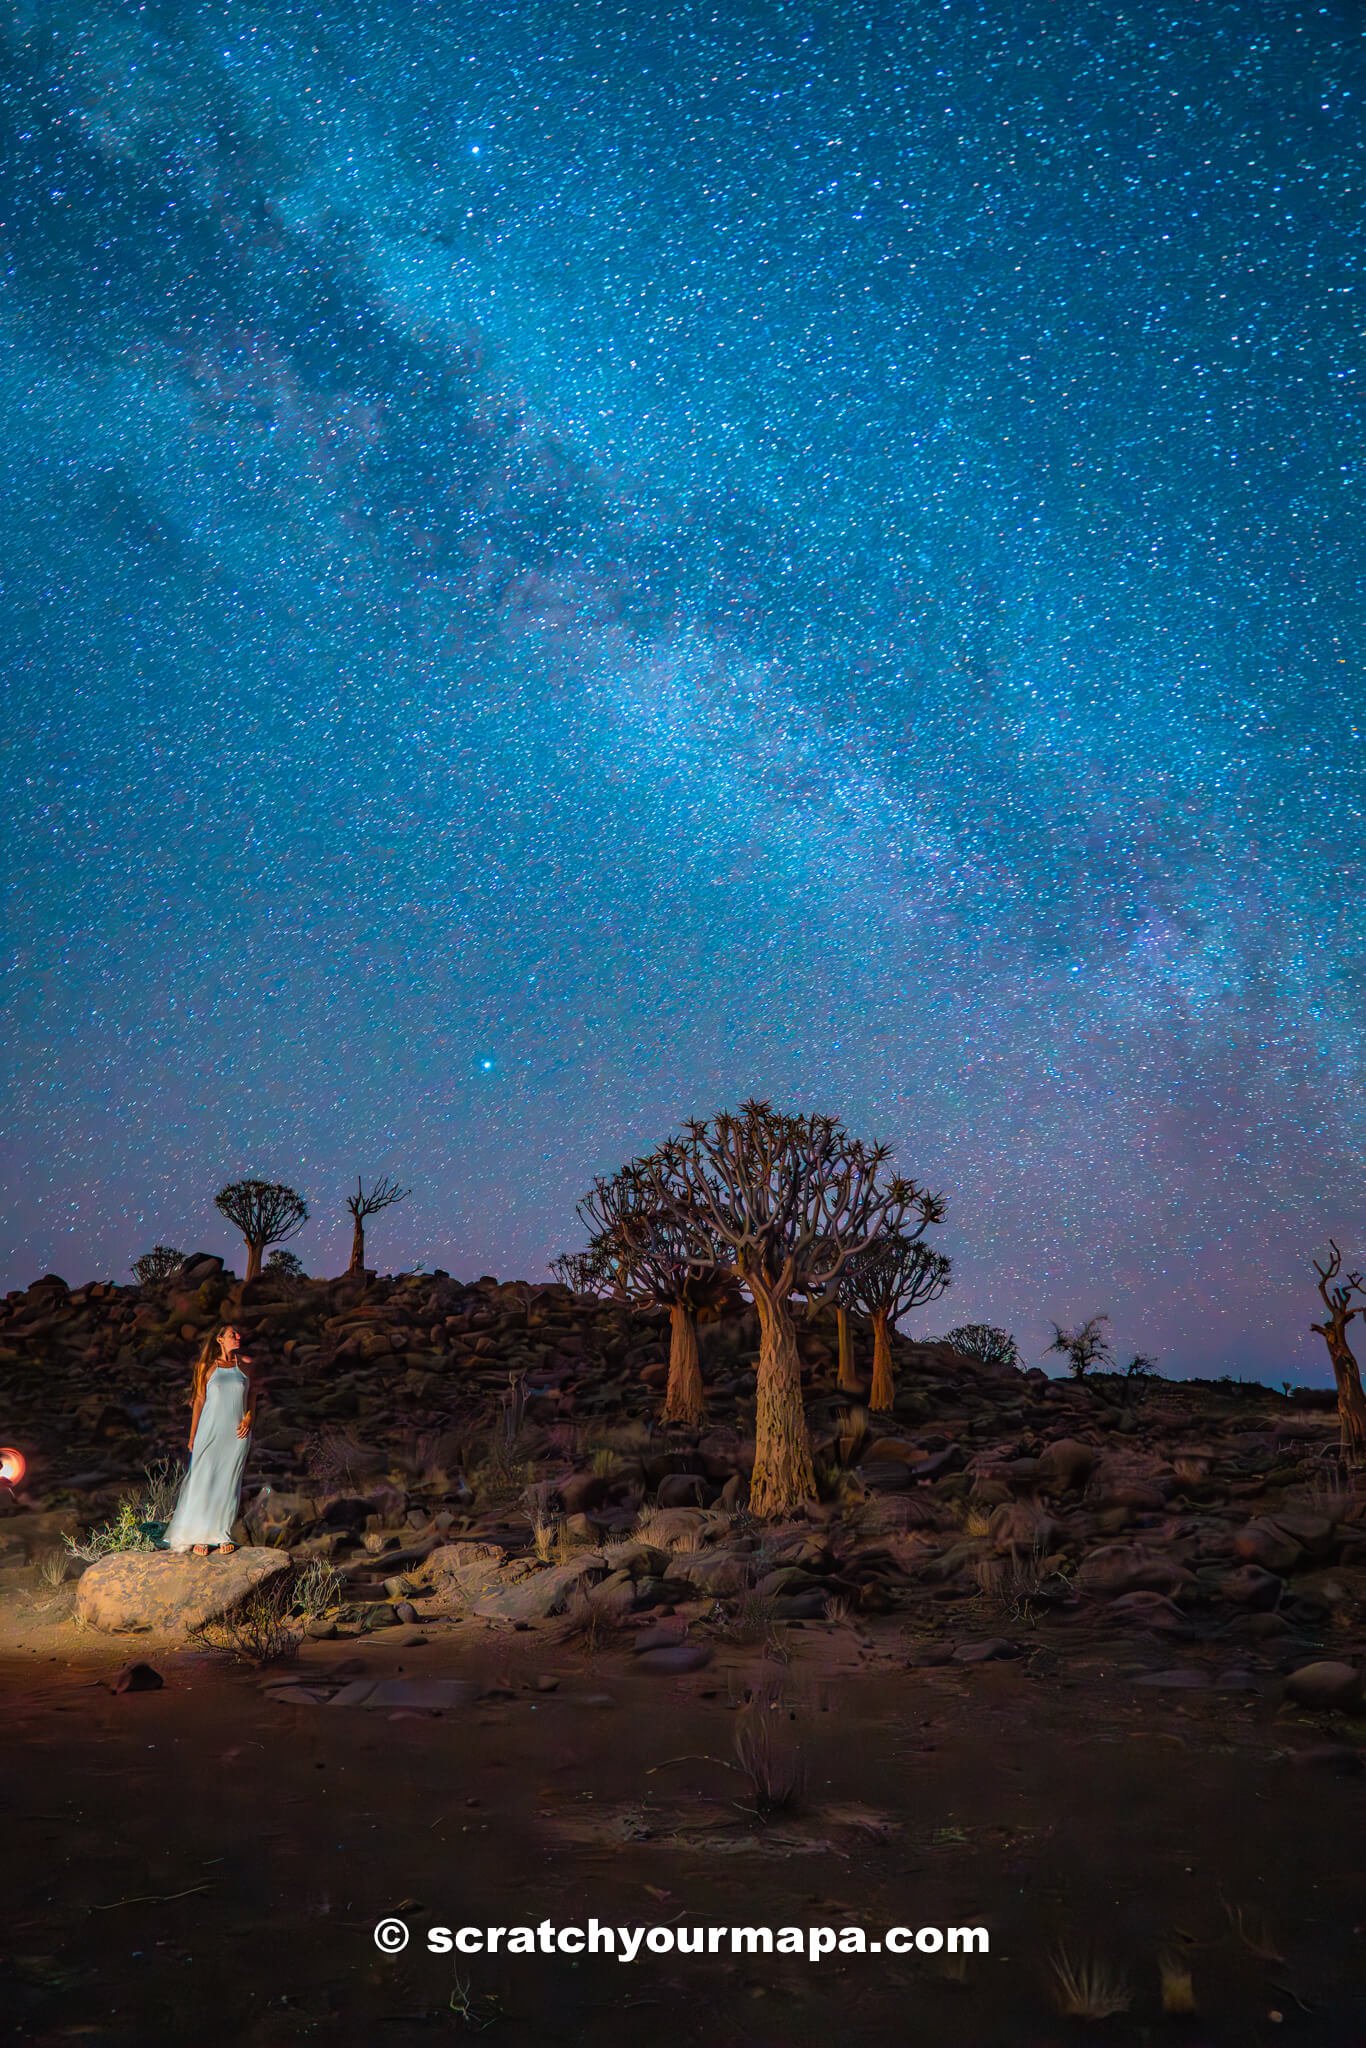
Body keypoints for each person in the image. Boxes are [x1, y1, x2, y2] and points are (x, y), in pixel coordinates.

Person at [163, 1323, 257, 1557]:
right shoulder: (206, 1367)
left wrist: (248, 1418)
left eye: (238, 1333)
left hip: (237, 1434)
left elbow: (253, 1396)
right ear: (219, 1339)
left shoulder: (246, 1365)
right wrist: (193, 1435)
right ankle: (198, 1536)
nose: (238, 1336)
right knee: (203, 1481)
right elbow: (198, 1401)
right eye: (232, 1334)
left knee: (228, 1484)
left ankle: (220, 1535)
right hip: (209, 1431)